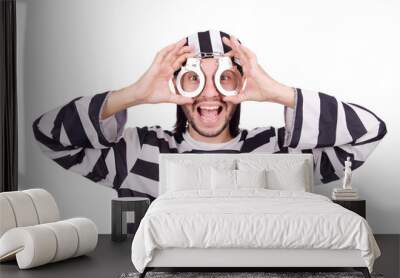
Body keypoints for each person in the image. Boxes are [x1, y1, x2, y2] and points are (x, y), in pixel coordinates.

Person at [32, 30, 387, 201]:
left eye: (224, 78)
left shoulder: (278, 152)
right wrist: (135, 94)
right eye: (193, 78)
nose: (209, 91)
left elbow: (370, 132)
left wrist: (276, 91)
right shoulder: (141, 151)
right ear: (175, 88)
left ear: (241, 86)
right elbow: (49, 135)